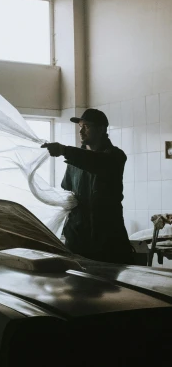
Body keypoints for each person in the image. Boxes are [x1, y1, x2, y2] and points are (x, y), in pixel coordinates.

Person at [42, 108, 133, 264]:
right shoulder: (74, 162)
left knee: (112, 287)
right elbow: (68, 191)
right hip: (78, 241)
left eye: (87, 127)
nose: (81, 131)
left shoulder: (115, 157)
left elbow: (97, 162)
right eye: (80, 127)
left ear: (102, 129)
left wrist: (64, 150)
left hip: (108, 242)